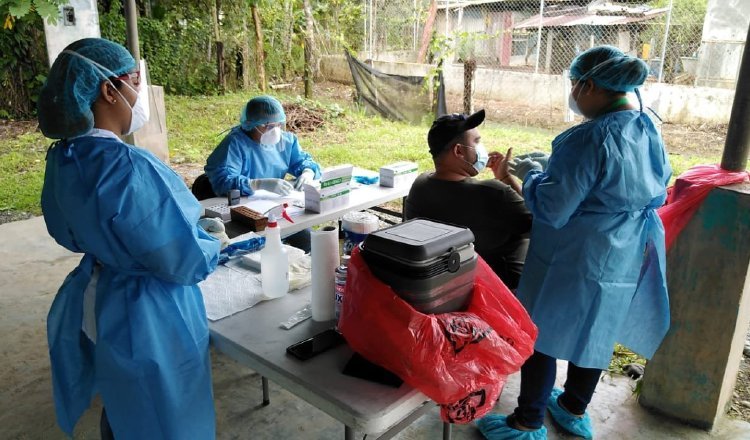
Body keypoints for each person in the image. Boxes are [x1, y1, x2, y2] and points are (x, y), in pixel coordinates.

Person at [477, 46, 672, 440]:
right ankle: (572, 406)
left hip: (576, 251)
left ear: (588, 85)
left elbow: (553, 208)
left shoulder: (587, 138)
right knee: (597, 329)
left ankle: (527, 420)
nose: (572, 93)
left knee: (542, 332)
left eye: (573, 84)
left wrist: (531, 175)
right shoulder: (646, 125)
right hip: (624, 246)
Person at [38, 38, 220, 439]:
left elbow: (64, 230)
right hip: (150, 312)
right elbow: (187, 258)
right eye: (135, 82)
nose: (139, 95)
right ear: (109, 89)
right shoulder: (130, 168)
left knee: (124, 398)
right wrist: (211, 238)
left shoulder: (65, 158)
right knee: (168, 410)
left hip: (103, 296)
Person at [404, 109, 532, 289]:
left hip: (447, 286)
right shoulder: (495, 194)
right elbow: (543, 224)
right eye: (477, 142)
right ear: (459, 151)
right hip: (504, 293)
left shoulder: (420, 186)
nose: (482, 148)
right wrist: (505, 177)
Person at [204, 95, 321, 252]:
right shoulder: (236, 144)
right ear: (252, 124)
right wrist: (257, 184)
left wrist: (308, 171)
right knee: (257, 251)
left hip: (276, 210)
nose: (275, 131)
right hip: (243, 213)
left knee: (310, 242)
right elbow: (222, 180)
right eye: (268, 126)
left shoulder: (286, 141)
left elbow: (302, 161)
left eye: (278, 124)